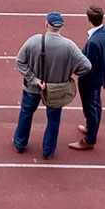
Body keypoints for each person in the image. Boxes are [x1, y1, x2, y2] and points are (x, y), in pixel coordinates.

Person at [13, 11, 90, 160]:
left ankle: (20, 144)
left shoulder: (34, 41)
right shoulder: (69, 46)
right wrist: (69, 72)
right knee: (54, 120)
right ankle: (48, 151)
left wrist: (34, 79)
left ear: (46, 24)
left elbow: (19, 61)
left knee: (26, 113)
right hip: (56, 89)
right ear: (62, 26)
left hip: (32, 87)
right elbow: (86, 66)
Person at [72, 5, 105, 150]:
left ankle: (90, 140)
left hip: (90, 79)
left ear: (88, 18)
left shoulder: (93, 43)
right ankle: (91, 128)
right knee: (96, 103)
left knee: (90, 108)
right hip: (101, 73)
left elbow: (87, 65)